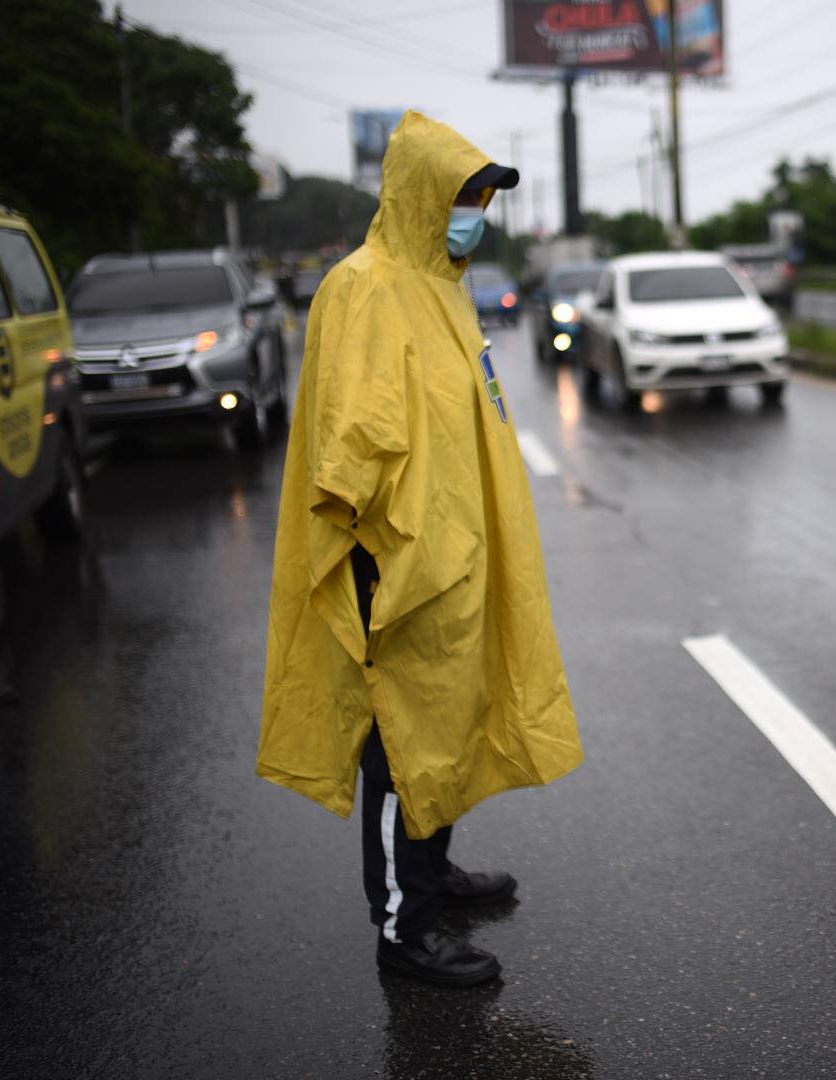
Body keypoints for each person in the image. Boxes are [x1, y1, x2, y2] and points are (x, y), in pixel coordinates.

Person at [257, 111, 584, 988]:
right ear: (417, 196)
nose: (475, 211)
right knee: (401, 736)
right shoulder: (365, 286)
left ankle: (432, 872)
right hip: (393, 560)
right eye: (463, 195)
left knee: (444, 717)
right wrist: (385, 559)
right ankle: (405, 929)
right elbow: (353, 448)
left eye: (481, 197)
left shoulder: (441, 281)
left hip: (453, 553)